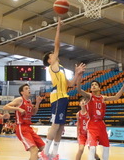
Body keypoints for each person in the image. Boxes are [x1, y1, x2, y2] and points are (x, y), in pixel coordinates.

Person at [41, 16, 86, 160]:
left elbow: (71, 84)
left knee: (60, 127)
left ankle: (54, 154)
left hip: (64, 97)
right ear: (49, 60)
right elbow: (57, 45)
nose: (54, 54)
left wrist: (78, 74)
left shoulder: (60, 68)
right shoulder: (52, 66)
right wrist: (59, 27)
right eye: (52, 55)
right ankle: (45, 152)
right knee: (55, 125)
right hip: (58, 98)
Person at [76, 74, 124, 160]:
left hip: (101, 124)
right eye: (92, 85)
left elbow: (116, 97)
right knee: (92, 148)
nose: (93, 86)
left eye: (95, 84)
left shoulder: (103, 98)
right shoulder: (89, 96)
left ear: (99, 88)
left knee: (106, 147)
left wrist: (123, 87)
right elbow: (79, 89)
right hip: (92, 124)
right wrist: (78, 78)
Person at [3, 84, 45, 160]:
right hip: (21, 128)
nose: (29, 90)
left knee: (43, 148)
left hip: (29, 128)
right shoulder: (20, 99)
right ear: (22, 92)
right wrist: (18, 109)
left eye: (29, 88)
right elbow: (5, 106)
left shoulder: (29, 101)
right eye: (26, 88)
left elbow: (34, 113)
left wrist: (38, 103)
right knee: (34, 150)